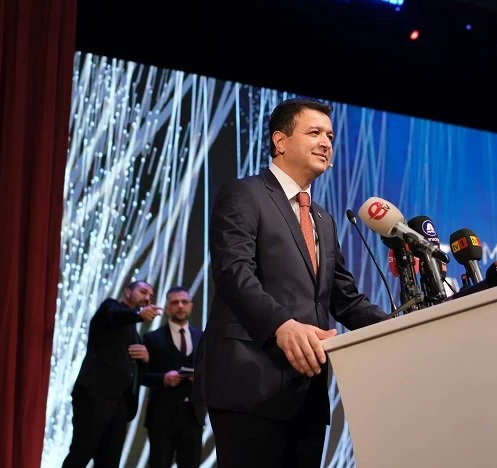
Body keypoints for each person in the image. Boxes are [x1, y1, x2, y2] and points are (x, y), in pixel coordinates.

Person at [193, 97, 388, 467]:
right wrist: (281, 325)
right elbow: (233, 271)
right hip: (250, 382)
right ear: (280, 141)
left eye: (330, 136)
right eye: (314, 133)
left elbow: (345, 299)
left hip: (308, 393)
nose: (326, 142)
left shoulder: (323, 220)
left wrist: (404, 327)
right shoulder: (245, 193)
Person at [62, 280, 162, 468]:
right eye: (143, 292)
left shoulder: (135, 334)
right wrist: (138, 314)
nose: (148, 298)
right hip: (95, 396)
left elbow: (134, 373)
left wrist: (146, 359)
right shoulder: (110, 308)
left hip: (119, 404)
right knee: (81, 454)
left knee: (109, 462)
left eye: (151, 295)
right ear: (127, 292)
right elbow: (116, 316)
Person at [141, 286, 204, 468]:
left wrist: (200, 379)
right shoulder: (152, 338)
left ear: (191, 306)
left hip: (193, 417)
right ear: (167, 307)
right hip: (162, 418)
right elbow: (141, 376)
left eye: (184, 302)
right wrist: (163, 379)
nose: (180, 306)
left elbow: (211, 372)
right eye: (175, 302)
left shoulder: (202, 337)